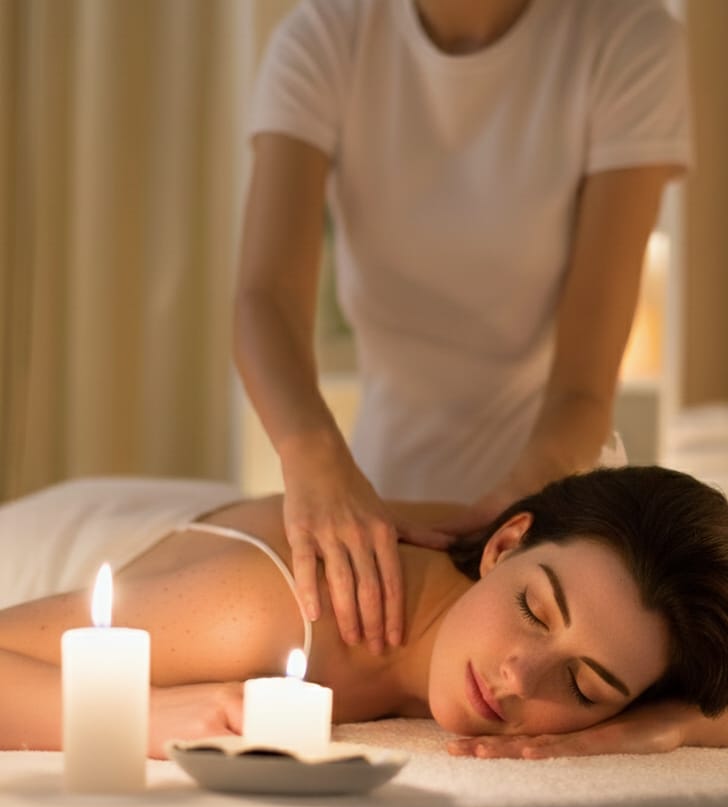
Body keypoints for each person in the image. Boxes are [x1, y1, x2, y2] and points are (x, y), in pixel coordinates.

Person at [234, 0, 693, 657]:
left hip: (541, 518)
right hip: (371, 500)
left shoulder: (629, 40)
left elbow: (582, 386)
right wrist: (313, 458)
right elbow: (263, 297)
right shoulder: (325, 35)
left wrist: (515, 514)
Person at [2, 465, 727, 760]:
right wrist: (145, 714)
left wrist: (668, 725)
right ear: (504, 544)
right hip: (65, 538)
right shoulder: (265, 612)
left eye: (585, 687)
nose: (519, 675)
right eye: (535, 612)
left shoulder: (616, 601)